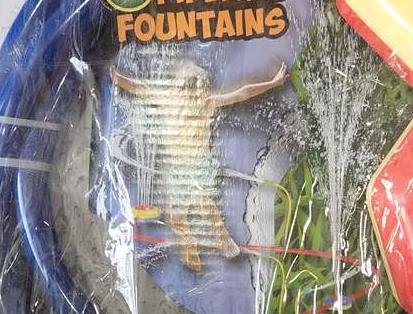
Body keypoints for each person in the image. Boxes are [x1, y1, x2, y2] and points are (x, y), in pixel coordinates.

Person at [110, 60, 289, 272]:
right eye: (196, 90)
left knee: (202, 201)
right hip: (176, 170)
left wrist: (272, 83)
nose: (200, 95)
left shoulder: (207, 103)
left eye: (202, 90)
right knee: (176, 216)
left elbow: (242, 93)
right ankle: (190, 248)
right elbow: (139, 88)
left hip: (199, 164)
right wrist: (119, 79)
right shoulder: (167, 100)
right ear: (181, 90)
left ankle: (223, 238)